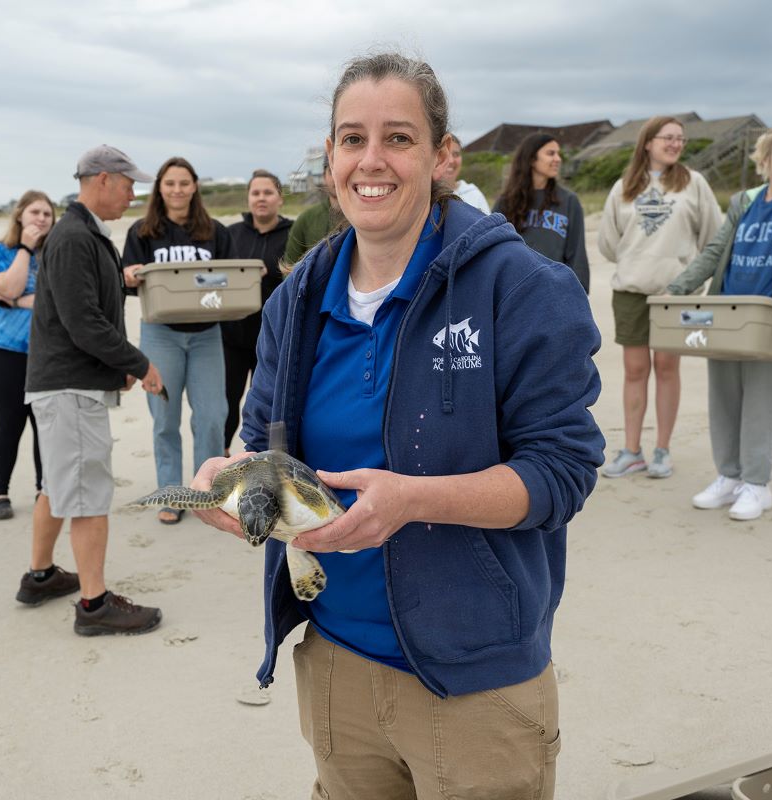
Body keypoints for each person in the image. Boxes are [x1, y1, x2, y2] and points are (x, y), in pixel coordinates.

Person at [190, 52, 602, 799]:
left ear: (444, 157)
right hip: (335, 659)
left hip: (475, 679)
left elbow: (563, 470)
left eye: (398, 138)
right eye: (352, 139)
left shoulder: (523, 287)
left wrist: (415, 499)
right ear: (330, 159)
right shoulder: (297, 297)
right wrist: (229, 482)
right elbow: (260, 442)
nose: (371, 161)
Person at [17, 145, 164, 636]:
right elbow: (84, 322)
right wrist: (139, 363)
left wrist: (113, 367)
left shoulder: (82, 233)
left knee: (57, 486)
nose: (132, 195)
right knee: (87, 494)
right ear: (103, 179)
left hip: (66, 382)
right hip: (68, 387)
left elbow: (85, 314)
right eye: (128, 185)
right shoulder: (76, 236)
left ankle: (39, 576)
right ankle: (95, 605)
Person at [667, 126, 772, 521]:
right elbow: (717, 249)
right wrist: (679, 288)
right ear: (766, 160)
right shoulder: (745, 201)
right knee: (723, 399)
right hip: (726, 311)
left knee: (761, 402)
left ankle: (757, 485)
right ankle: (729, 476)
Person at [598, 116, 722, 479]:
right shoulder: (624, 187)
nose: (675, 143)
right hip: (631, 290)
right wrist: (638, 261)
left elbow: (713, 234)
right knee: (635, 371)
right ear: (648, 142)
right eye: (667, 137)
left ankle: (662, 451)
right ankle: (631, 450)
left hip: (676, 293)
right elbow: (608, 242)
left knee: (668, 369)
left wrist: (686, 273)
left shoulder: (693, 183)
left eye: (680, 139)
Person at [121, 157, 234, 525]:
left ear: (195, 186)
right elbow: (126, 280)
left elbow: (230, 280)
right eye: (170, 183)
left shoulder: (215, 231)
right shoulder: (142, 231)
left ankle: (208, 492)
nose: (177, 190)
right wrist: (128, 275)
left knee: (213, 416)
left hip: (206, 334)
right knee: (165, 419)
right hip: (160, 334)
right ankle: (171, 492)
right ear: (160, 188)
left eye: (184, 183)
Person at [0, 190, 55, 521]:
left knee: (45, 425)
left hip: (48, 353)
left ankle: (45, 489)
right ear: (20, 217)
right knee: (8, 423)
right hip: (6, 351)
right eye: (35, 212)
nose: (41, 218)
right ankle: (1, 492)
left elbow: (57, 303)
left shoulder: (56, 254)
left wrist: (13, 300)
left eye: (47, 213)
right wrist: (26, 249)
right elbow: (11, 285)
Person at [222, 170, 293, 455]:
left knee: (270, 407)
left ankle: (265, 460)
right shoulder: (231, 234)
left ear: (279, 199)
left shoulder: (293, 234)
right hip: (233, 336)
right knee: (226, 401)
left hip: (275, 338)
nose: (261, 198)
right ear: (248, 199)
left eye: (268, 192)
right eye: (255, 193)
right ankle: (223, 454)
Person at [492, 133, 590, 292]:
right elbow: (495, 252)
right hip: (515, 292)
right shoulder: (505, 202)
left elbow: (577, 254)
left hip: (555, 291)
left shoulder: (569, 201)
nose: (558, 159)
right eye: (550, 153)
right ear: (531, 159)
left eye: (558, 153)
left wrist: (580, 291)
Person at [284, 156, 345, 266]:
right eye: (332, 171)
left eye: (343, 170)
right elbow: (289, 269)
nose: (337, 177)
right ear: (324, 176)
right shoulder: (306, 219)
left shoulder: (368, 217)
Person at [444, 135, 491, 213]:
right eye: (445, 154)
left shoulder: (474, 194)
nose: (451, 160)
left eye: (456, 154)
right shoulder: (424, 196)